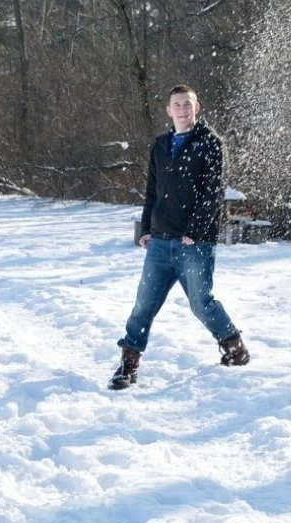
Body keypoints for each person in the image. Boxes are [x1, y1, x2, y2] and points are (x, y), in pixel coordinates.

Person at [109, 85, 250, 391]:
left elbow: (212, 191)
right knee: (143, 306)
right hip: (159, 242)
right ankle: (128, 365)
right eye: (177, 105)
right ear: (168, 110)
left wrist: (195, 231)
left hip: (194, 244)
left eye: (187, 104)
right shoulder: (160, 145)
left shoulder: (209, 143)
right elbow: (152, 191)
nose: (183, 110)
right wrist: (146, 228)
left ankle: (235, 348)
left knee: (201, 304)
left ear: (196, 108)